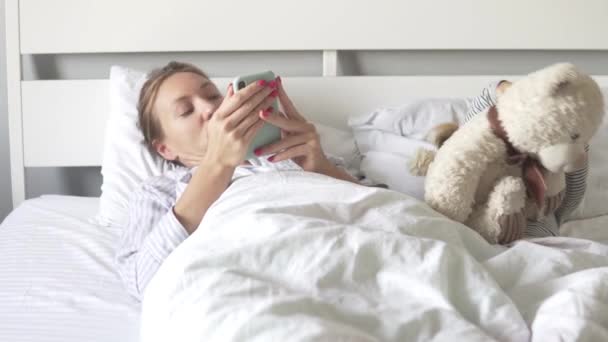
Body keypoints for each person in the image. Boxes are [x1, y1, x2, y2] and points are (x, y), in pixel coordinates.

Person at [115, 61, 359, 300]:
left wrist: (321, 167)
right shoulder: (160, 191)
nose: (209, 109)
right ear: (165, 149)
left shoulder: (295, 154)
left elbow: (382, 210)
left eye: (212, 96)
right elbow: (140, 282)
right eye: (185, 111)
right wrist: (217, 166)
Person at [464, 80, 589, 239]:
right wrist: (555, 216)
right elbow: (574, 191)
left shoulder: (573, 143)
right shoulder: (573, 139)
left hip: (492, 219)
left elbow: (468, 130)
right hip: (533, 221)